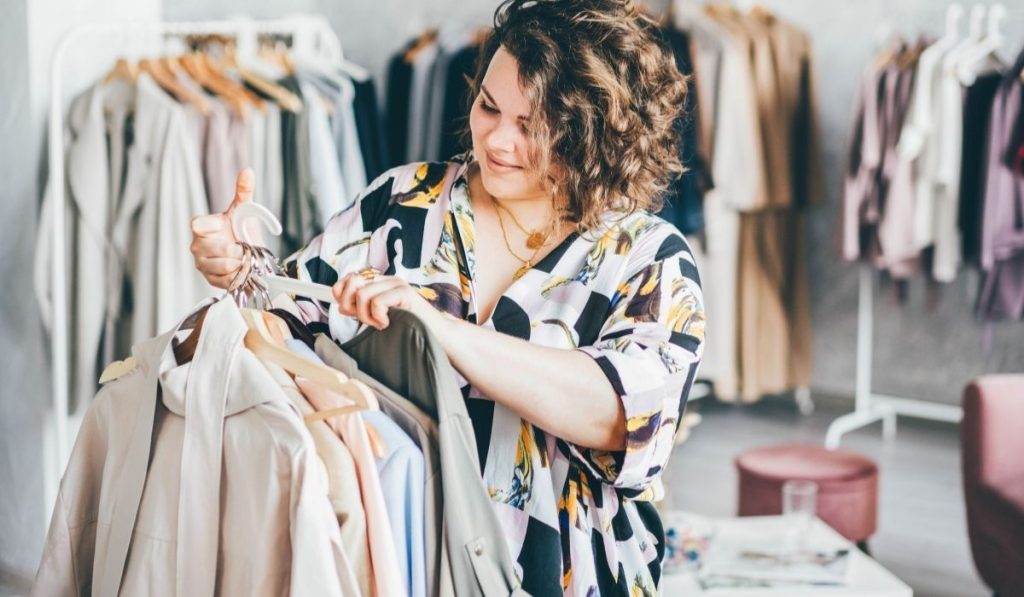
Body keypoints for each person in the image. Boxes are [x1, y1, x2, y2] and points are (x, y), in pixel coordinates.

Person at [190, 0, 705, 592]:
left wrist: (441, 331)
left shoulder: (646, 258)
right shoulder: (406, 202)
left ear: (594, 134)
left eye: (532, 126)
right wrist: (241, 269)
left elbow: (620, 414)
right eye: (489, 106)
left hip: (565, 571)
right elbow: (290, 321)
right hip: (405, 549)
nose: (498, 140)